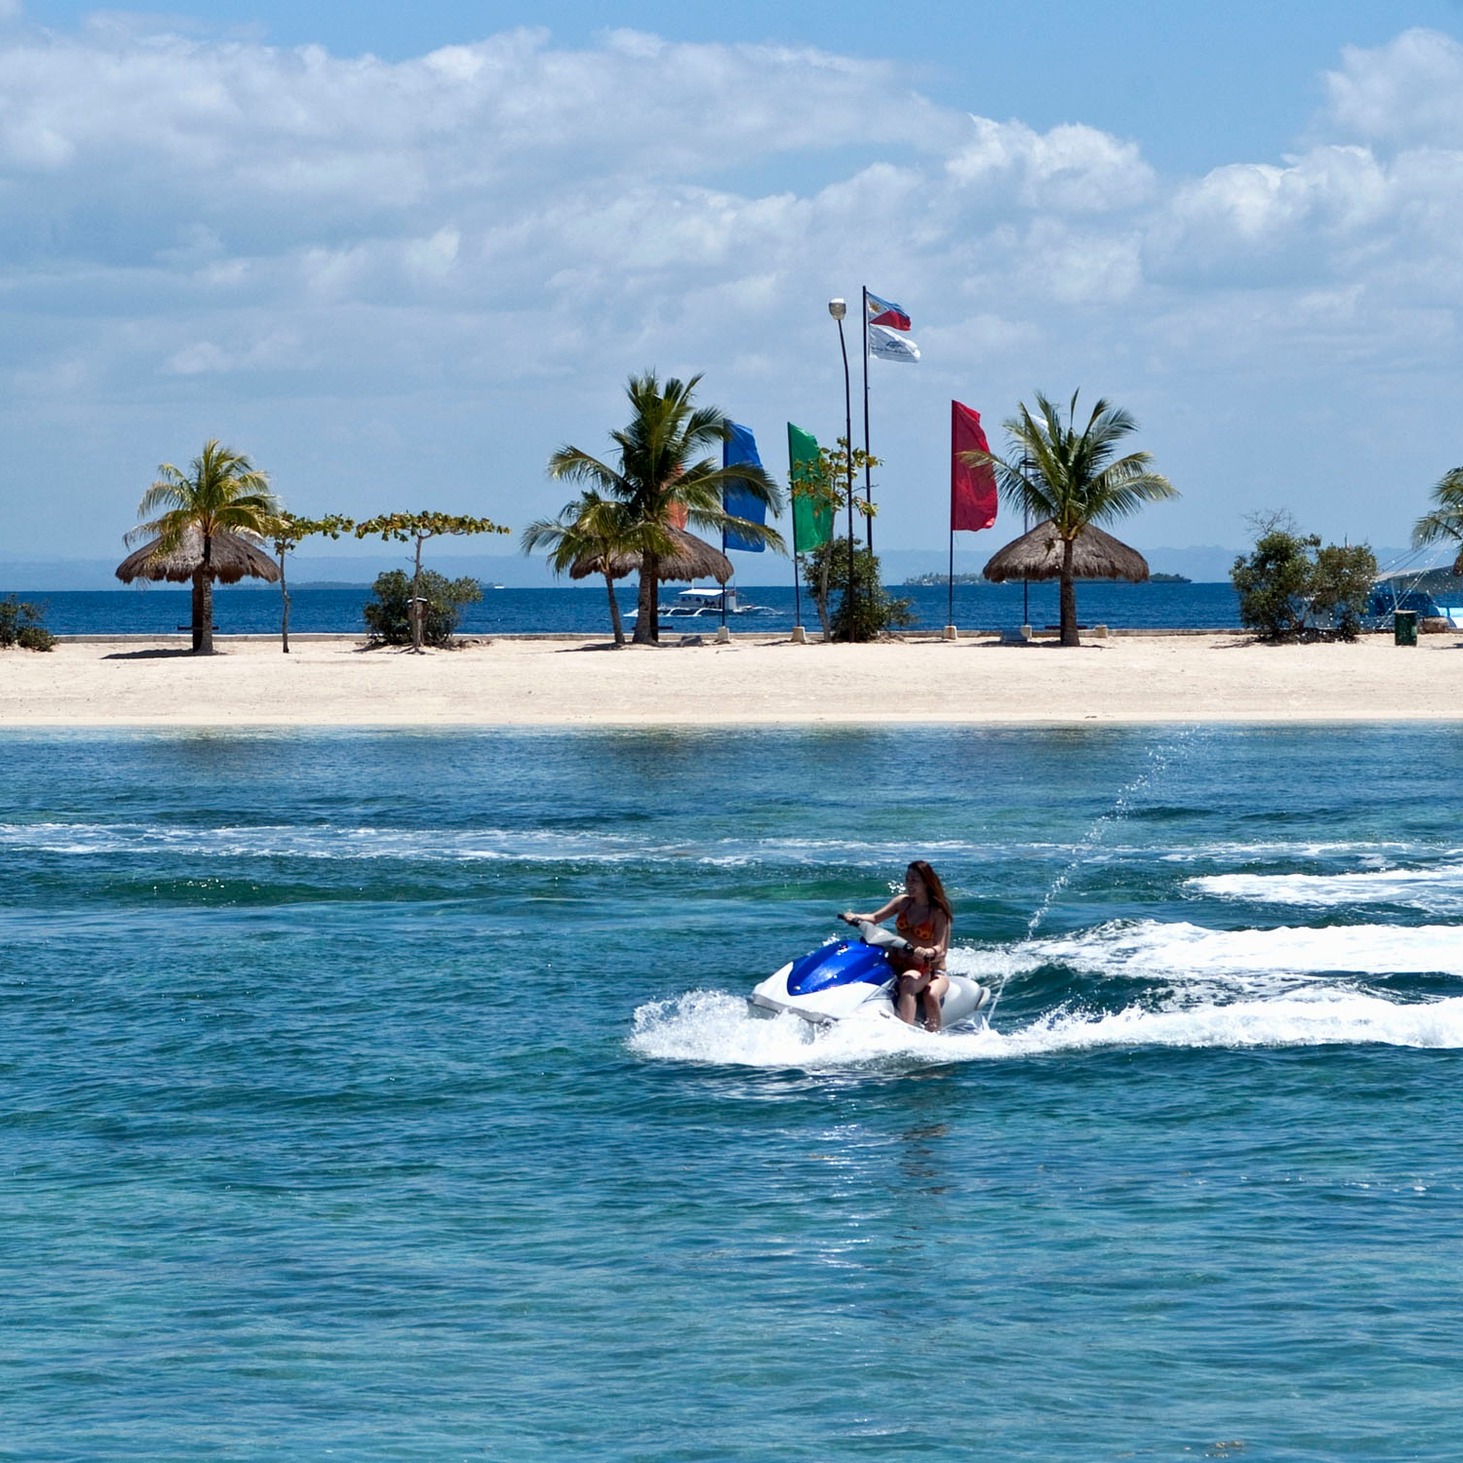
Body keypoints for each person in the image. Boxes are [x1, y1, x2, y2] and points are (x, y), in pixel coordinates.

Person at [841, 860, 953, 1031]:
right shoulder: (903, 902)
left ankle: (909, 1030)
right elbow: (875, 918)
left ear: (926, 882)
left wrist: (927, 951)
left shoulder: (937, 912)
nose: (909, 884)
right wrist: (855, 917)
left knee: (909, 983)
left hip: (923, 967)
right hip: (896, 960)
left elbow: (940, 949)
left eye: (914, 880)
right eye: (907, 879)